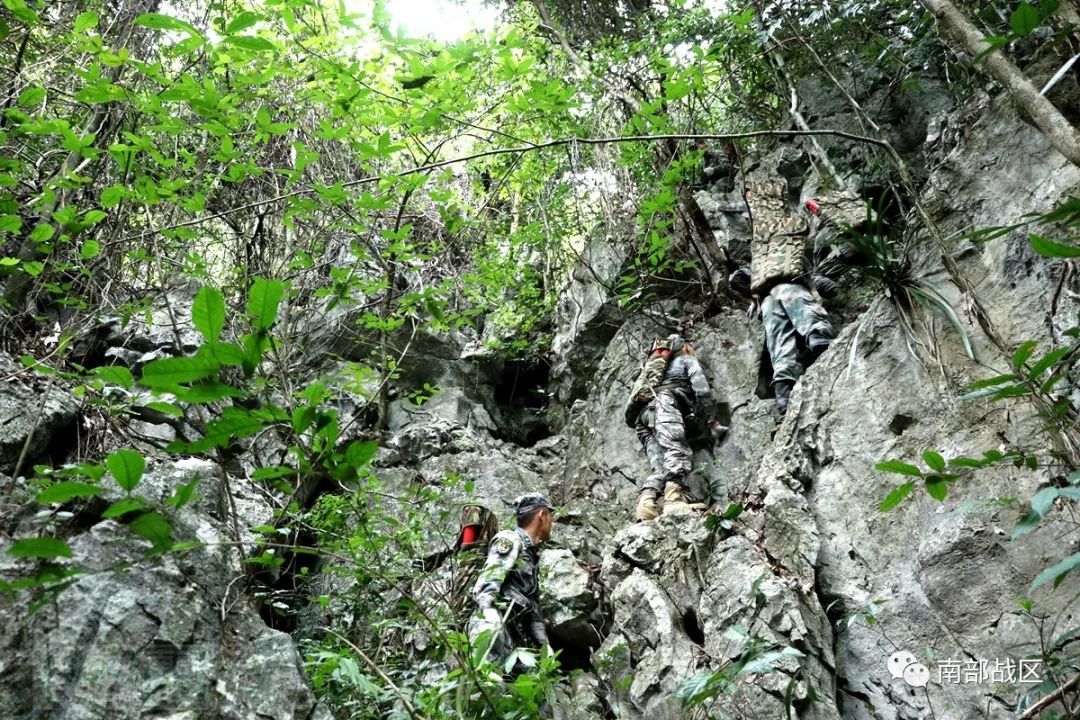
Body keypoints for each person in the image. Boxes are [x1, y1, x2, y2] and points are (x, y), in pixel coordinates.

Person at [743, 181, 867, 415]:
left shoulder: (797, 230)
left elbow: (841, 232)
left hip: (801, 287)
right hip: (780, 293)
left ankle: (817, 340)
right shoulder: (767, 243)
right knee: (773, 307)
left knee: (782, 297)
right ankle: (786, 381)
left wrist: (820, 214)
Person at [633, 334, 726, 521]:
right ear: (683, 347)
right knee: (677, 451)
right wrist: (712, 420)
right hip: (665, 406)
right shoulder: (686, 360)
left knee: (660, 464)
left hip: (643, 418)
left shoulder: (651, 369)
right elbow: (702, 390)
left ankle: (646, 505)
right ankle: (673, 500)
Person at [468, 494, 555, 670]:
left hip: (508, 635)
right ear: (541, 515)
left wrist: (545, 647)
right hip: (490, 626)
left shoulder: (531, 556)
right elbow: (489, 580)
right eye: (551, 516)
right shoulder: (511, 539)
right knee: (489, 680)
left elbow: (533, 609)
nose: (552, 522)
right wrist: (489, 614)